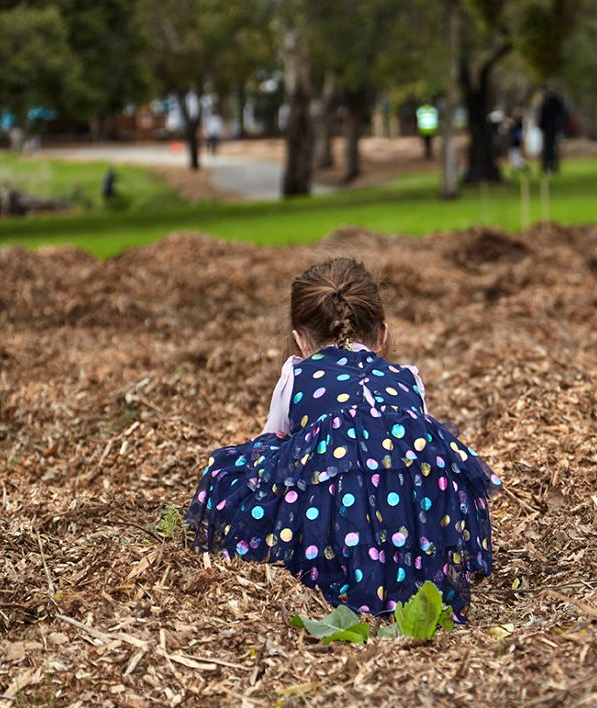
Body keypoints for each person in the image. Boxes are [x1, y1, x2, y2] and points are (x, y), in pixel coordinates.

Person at [186, 258, 499, 619]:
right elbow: (420, 463)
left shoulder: (296, 376)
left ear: (300, 340)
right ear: (381, 334)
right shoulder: (407, 379)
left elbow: (270, 455)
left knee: (258, 463)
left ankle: (334, 575)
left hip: (332, 532)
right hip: (411, 535)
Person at [537, 88, 567, 175]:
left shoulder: (548, 102)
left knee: (549, 149)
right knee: (551, 149)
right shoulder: (555, 102)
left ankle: (549, 167)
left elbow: (543, 116)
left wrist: (541, 125)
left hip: (549, 129)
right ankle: (550, 167)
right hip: (552, 129)